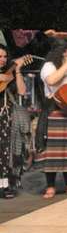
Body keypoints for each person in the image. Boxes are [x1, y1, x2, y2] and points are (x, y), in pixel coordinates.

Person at [35, 38, 67, 199]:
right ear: (63, 52)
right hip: (53, 111)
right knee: (52, 150)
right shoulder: (49, 66)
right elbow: (51, 80)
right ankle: (50, 186)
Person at [0, 44, 27, 198]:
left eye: (4, 56)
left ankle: (5, 187)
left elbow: (22, 91)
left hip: (6, 118)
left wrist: (17, 70)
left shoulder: (9, 75)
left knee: (6, 153)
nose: (3, 60)